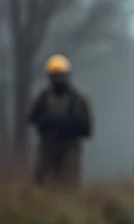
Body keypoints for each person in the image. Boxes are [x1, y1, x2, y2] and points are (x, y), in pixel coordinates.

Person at [27, 54, 93, 188]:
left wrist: (74, 126)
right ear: (50, 77)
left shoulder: (80, 99)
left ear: (67, 75)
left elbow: (88, 128)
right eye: (55, 75)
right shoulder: (42, 98)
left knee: (69, 185)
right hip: (47, 146)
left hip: (71, 148)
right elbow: (31, 118)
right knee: (42, 183)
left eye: (61, 75)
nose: (58, 79)